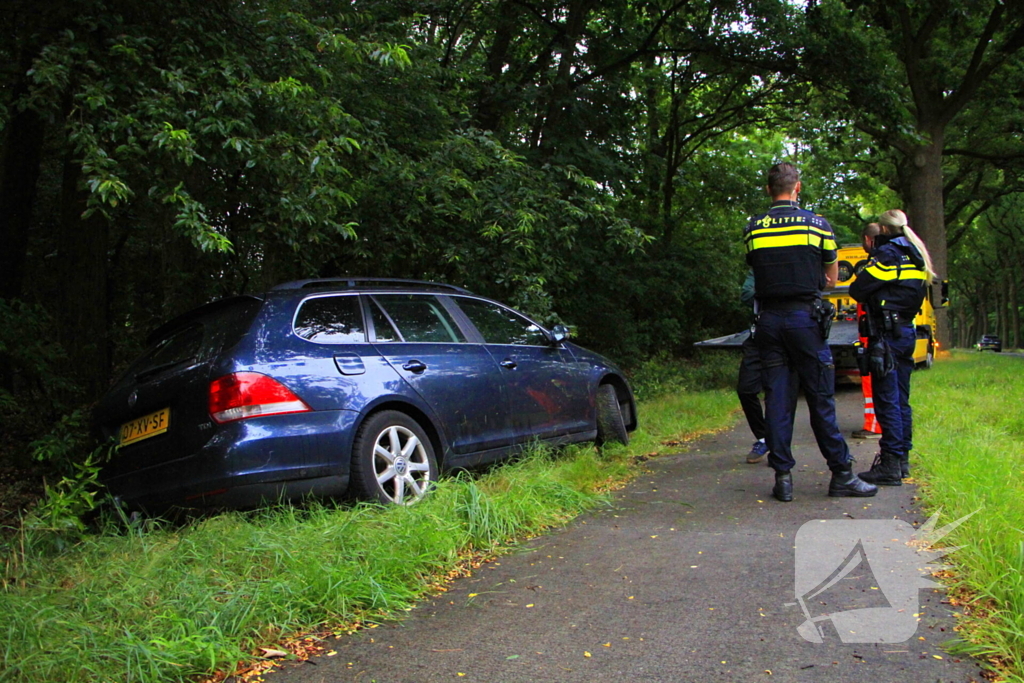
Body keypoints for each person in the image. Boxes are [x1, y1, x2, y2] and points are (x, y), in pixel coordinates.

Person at [743, 162, 877, 502]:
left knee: (777, 400)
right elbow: (831, 273)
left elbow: (756, 268)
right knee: (820, 398)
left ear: (768, 190)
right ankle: (842, 474)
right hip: (805, 320)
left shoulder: (753, 228)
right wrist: (818, 280)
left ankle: (783, 478)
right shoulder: (816, 224)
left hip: (769, 323)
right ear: (797, 187)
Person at [850, 211, 935, 484]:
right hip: (905, 331)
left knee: (887, 400)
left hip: (885, 336)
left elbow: (859, 289)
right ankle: (901, 461)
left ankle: (889, 465)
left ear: (884, 230)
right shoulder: (917, 255)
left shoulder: (887, 255)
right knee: (901, 400)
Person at [738, 270, 769, 463]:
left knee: (780, 393)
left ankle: (779, 444)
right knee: (745, 390)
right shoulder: (759, 265)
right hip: (759, 336)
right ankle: (764, 437)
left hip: (789, 336)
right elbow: (746, 294)